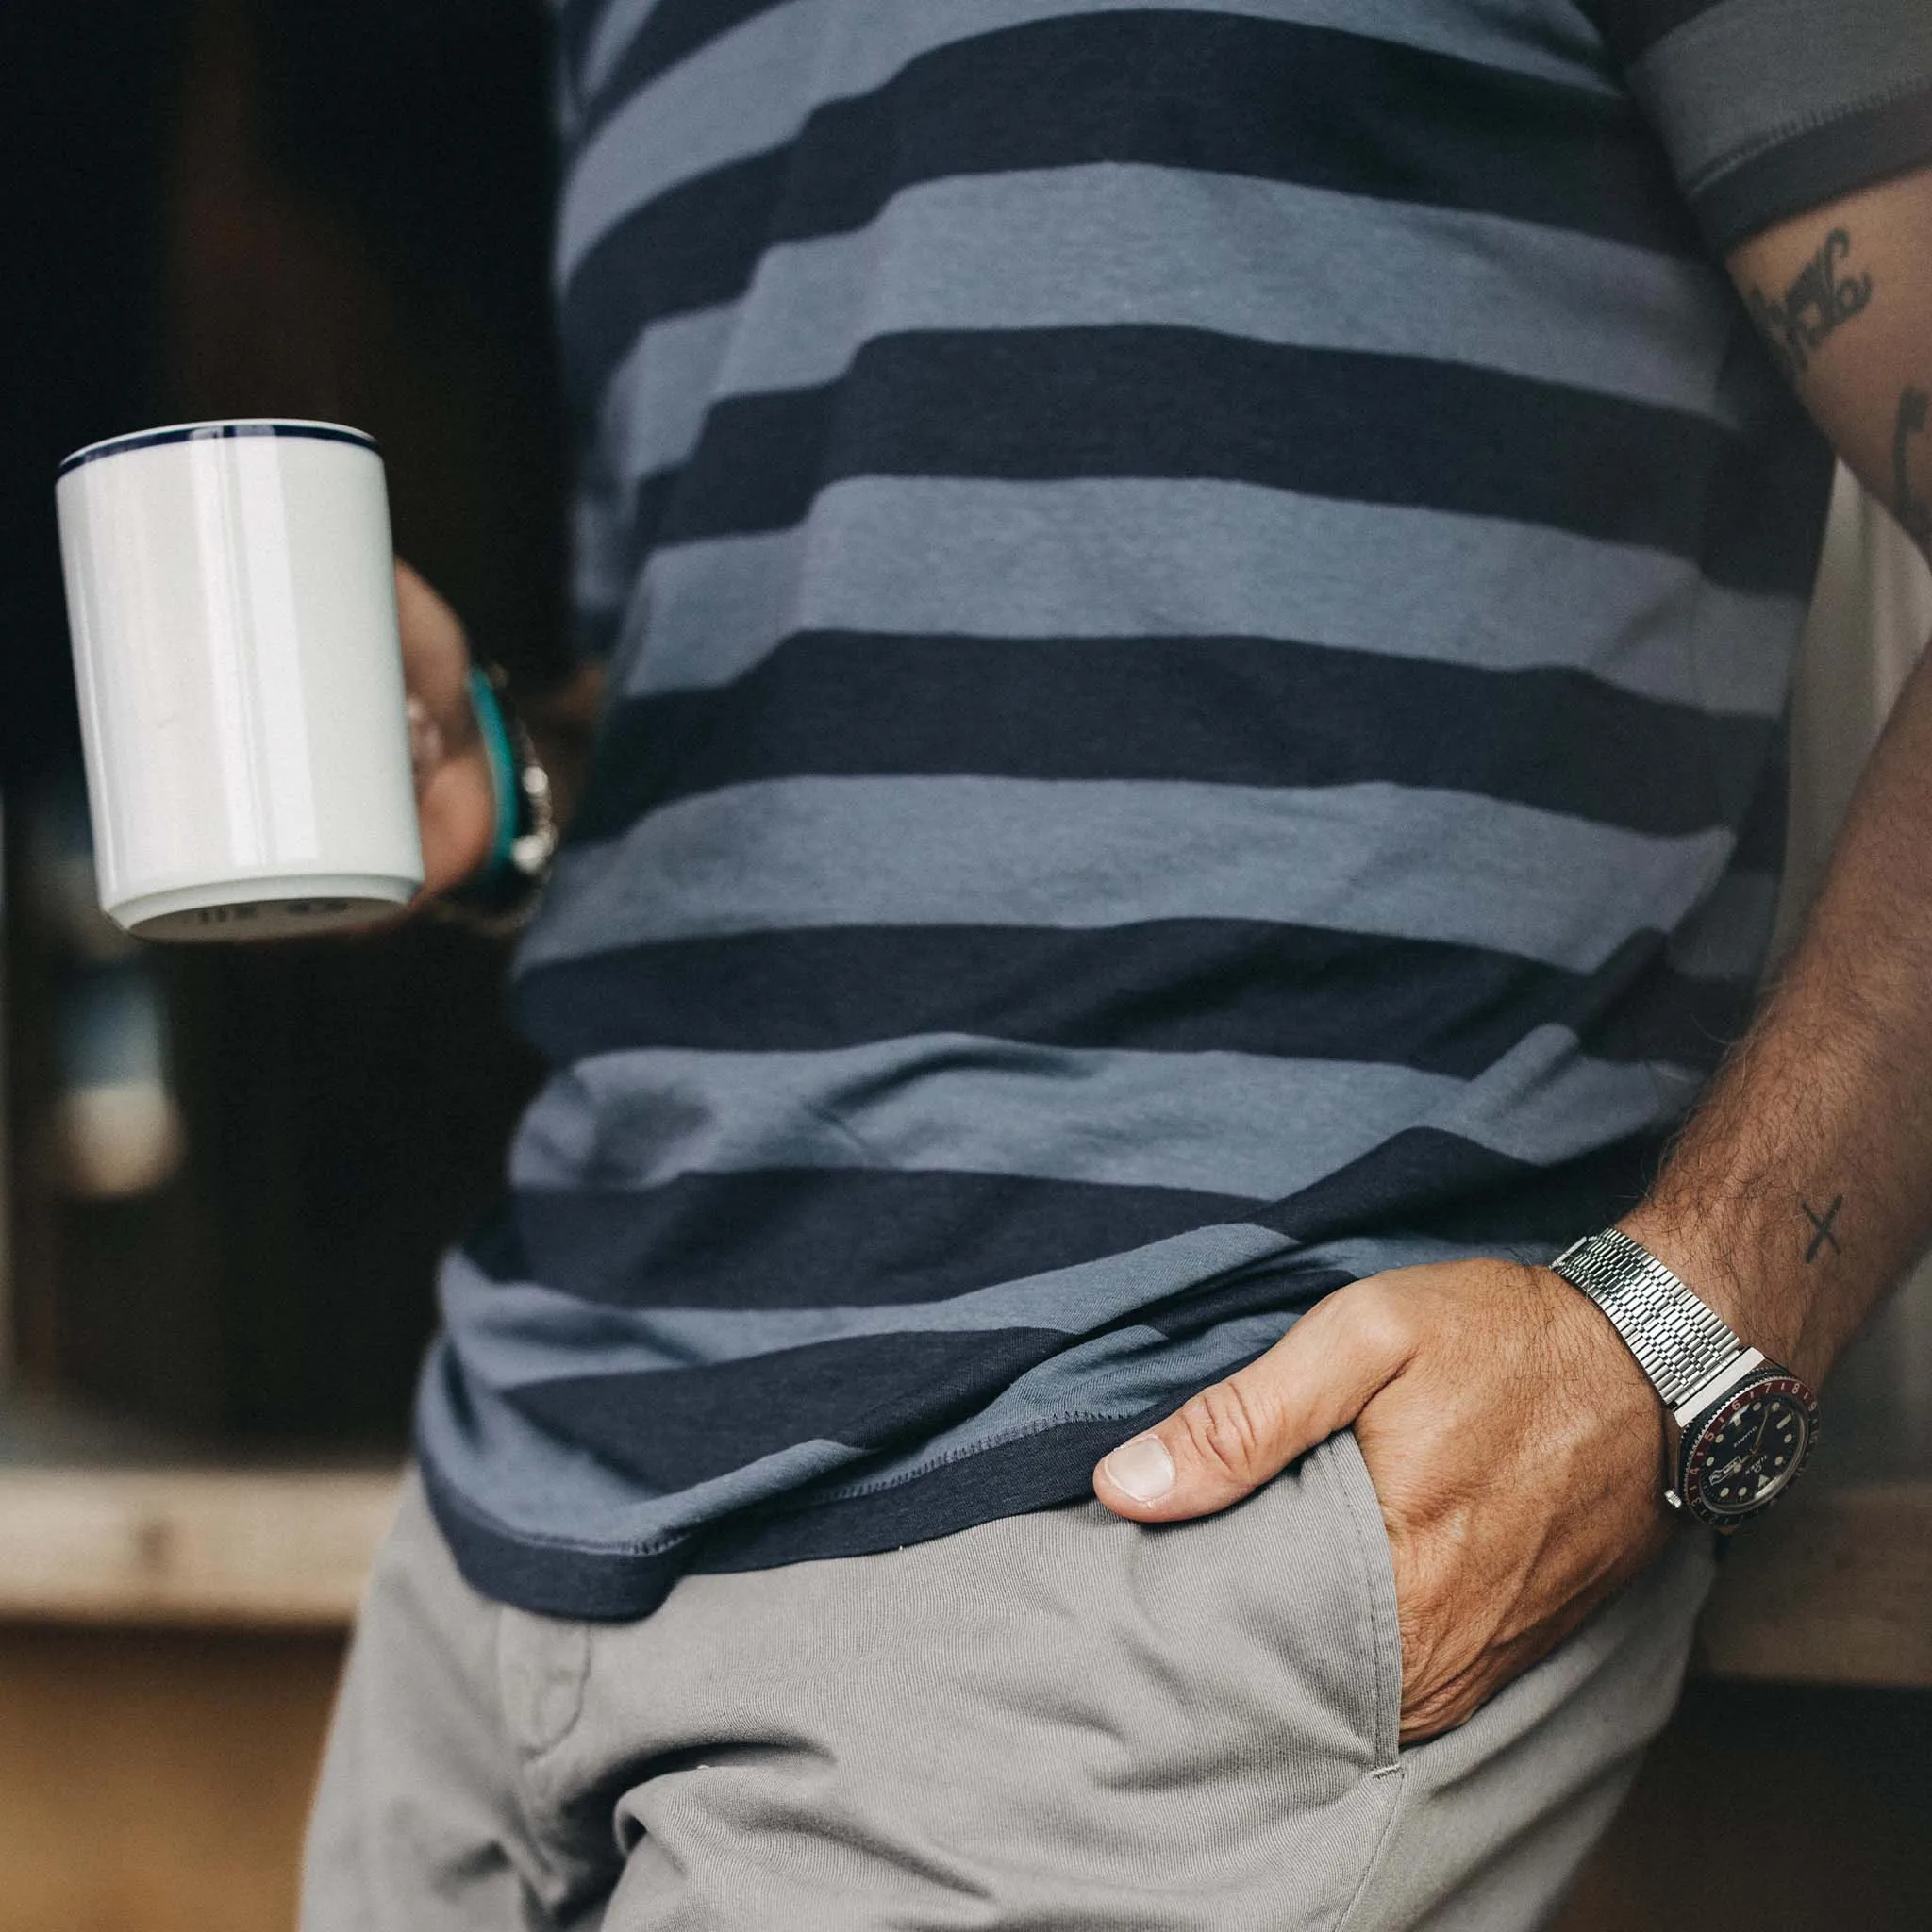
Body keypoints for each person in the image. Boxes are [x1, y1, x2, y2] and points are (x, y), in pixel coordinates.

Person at [305, 3, 1932, 1926]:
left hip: (1130, 1538)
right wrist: (513, 773)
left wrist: (1695, 1327)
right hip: (500, 1524)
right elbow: (819, 657)